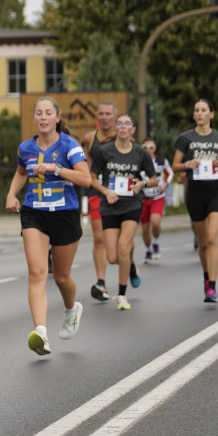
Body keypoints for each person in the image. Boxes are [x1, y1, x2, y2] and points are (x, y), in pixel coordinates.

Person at [5, 96, 91, 355]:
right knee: (37, 273)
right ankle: (40, 331)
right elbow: (21, 172)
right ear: (34, 119)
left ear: (57, 118)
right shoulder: (25, 148)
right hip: (35, 214)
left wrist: (56, 168)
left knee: (62, 277)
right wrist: (11, 194)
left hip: (65, 214)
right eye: (39, 113)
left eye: (47, 113)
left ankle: (70, 310)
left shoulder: (69, 146)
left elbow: (85, 178)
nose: (43, 117)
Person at [172, 98, 218, 303]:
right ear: (194, 115)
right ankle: (206, 276)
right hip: (194, 193)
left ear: (211, 114)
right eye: (197, 110)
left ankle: (212, 286)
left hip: (215, 192)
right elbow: (175, 165)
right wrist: (188, 164)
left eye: (204, 110)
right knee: (203, 244)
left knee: (212, 238)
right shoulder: (185, 138)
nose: (200, 113)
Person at [91, 115, 157, 310]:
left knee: (123, 246)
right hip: (110, 205)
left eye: (127, 123)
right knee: (113, 258)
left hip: (132, 204)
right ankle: (131, 265)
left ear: (133, 129)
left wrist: (142, 183)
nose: (122, 127)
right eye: (119, 123)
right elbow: (92, 178)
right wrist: (106, 191)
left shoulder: (140, 153)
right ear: (115, 128)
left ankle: (121, 295)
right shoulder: (104, 152)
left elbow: (154, 180)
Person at [82, 100, 118, 301]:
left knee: (120, 240)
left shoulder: (122, 136)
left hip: (120, 192)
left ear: (115, 115)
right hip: (97, 191)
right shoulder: (90, 138)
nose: (104, 117)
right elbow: (87, 164)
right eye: (101, 114)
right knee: (98, 238)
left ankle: (128, 264)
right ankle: (101, 282)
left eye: (108, 114)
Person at [139, 136, 173, 263]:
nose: (148, 150)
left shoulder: (161, 161)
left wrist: (165, 184)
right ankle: (148, 250)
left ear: (155, 148)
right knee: (145, 228)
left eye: (151, 147)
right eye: (145, 147)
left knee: (155, 222)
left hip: (157, 197)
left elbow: (170, 173)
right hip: (143, 198)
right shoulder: (138, 161)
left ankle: (156, 243)